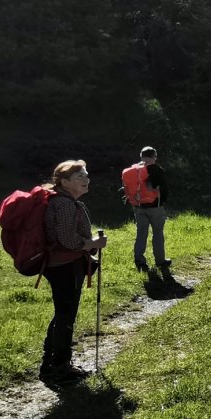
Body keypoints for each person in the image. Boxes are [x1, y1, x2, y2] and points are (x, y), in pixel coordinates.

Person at [41, 160, 107, 389]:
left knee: (63, 314)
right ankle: (60, 369)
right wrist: (93, 243)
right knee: (66, 316)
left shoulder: (61, 201)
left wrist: (90, 245)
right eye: (80, 176)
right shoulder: (66, 204)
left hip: (59, 264)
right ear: (65, 181)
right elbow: (69, 241)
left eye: (86, 175)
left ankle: (50, 365)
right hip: (66, 265)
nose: (86, 179)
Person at [122, 146, 168, 273]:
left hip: (138, 207)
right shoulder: (156, 169)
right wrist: (162, 201)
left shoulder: (132, 170)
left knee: (141, 233)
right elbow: (164, 188)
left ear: (141, 156)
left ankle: (139, 259)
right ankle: (160, 261)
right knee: (158, 233)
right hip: (155, 207)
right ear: (154, 156)